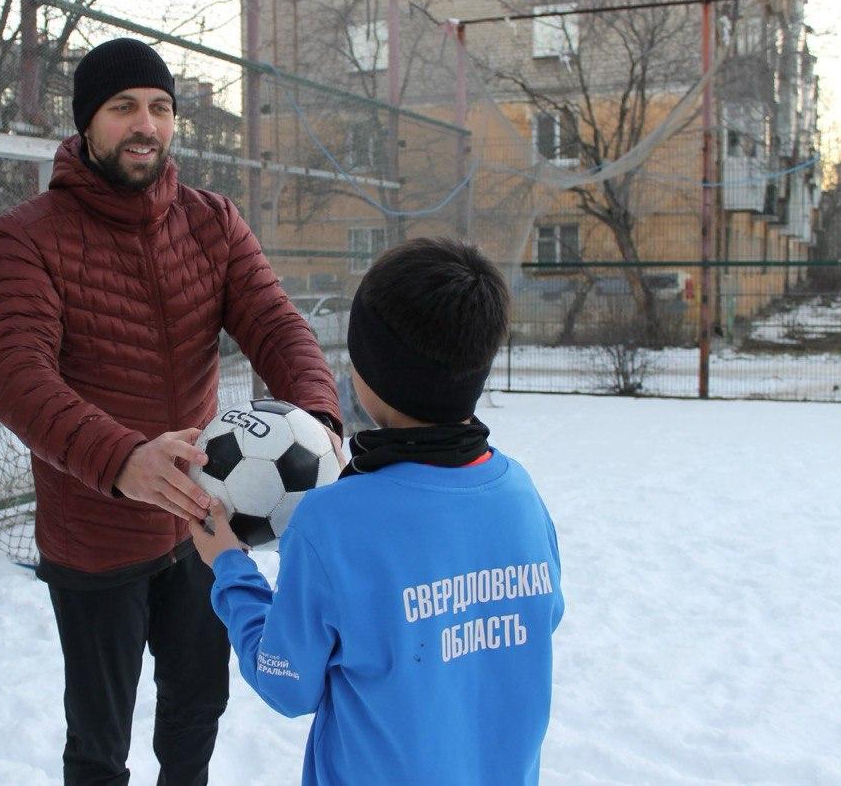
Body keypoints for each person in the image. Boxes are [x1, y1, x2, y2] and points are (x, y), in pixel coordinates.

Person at [0, 37, 343, 786]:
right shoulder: (27, 236)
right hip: (94, 532)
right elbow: (19, 379)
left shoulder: (212, 221)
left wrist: (320, 424)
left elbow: (278, 327)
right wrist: (122, 460)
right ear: (87, 123)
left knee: (197, 707)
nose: (144, 124)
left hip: (203, 524)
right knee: (98, 739)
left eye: (159, 107)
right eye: (123, 108)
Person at [191, 237, 565, 786]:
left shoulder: (332, 521)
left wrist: (229, 568)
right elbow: (532, 624)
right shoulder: (521, 496)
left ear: (368, 371)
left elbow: (287, 680)